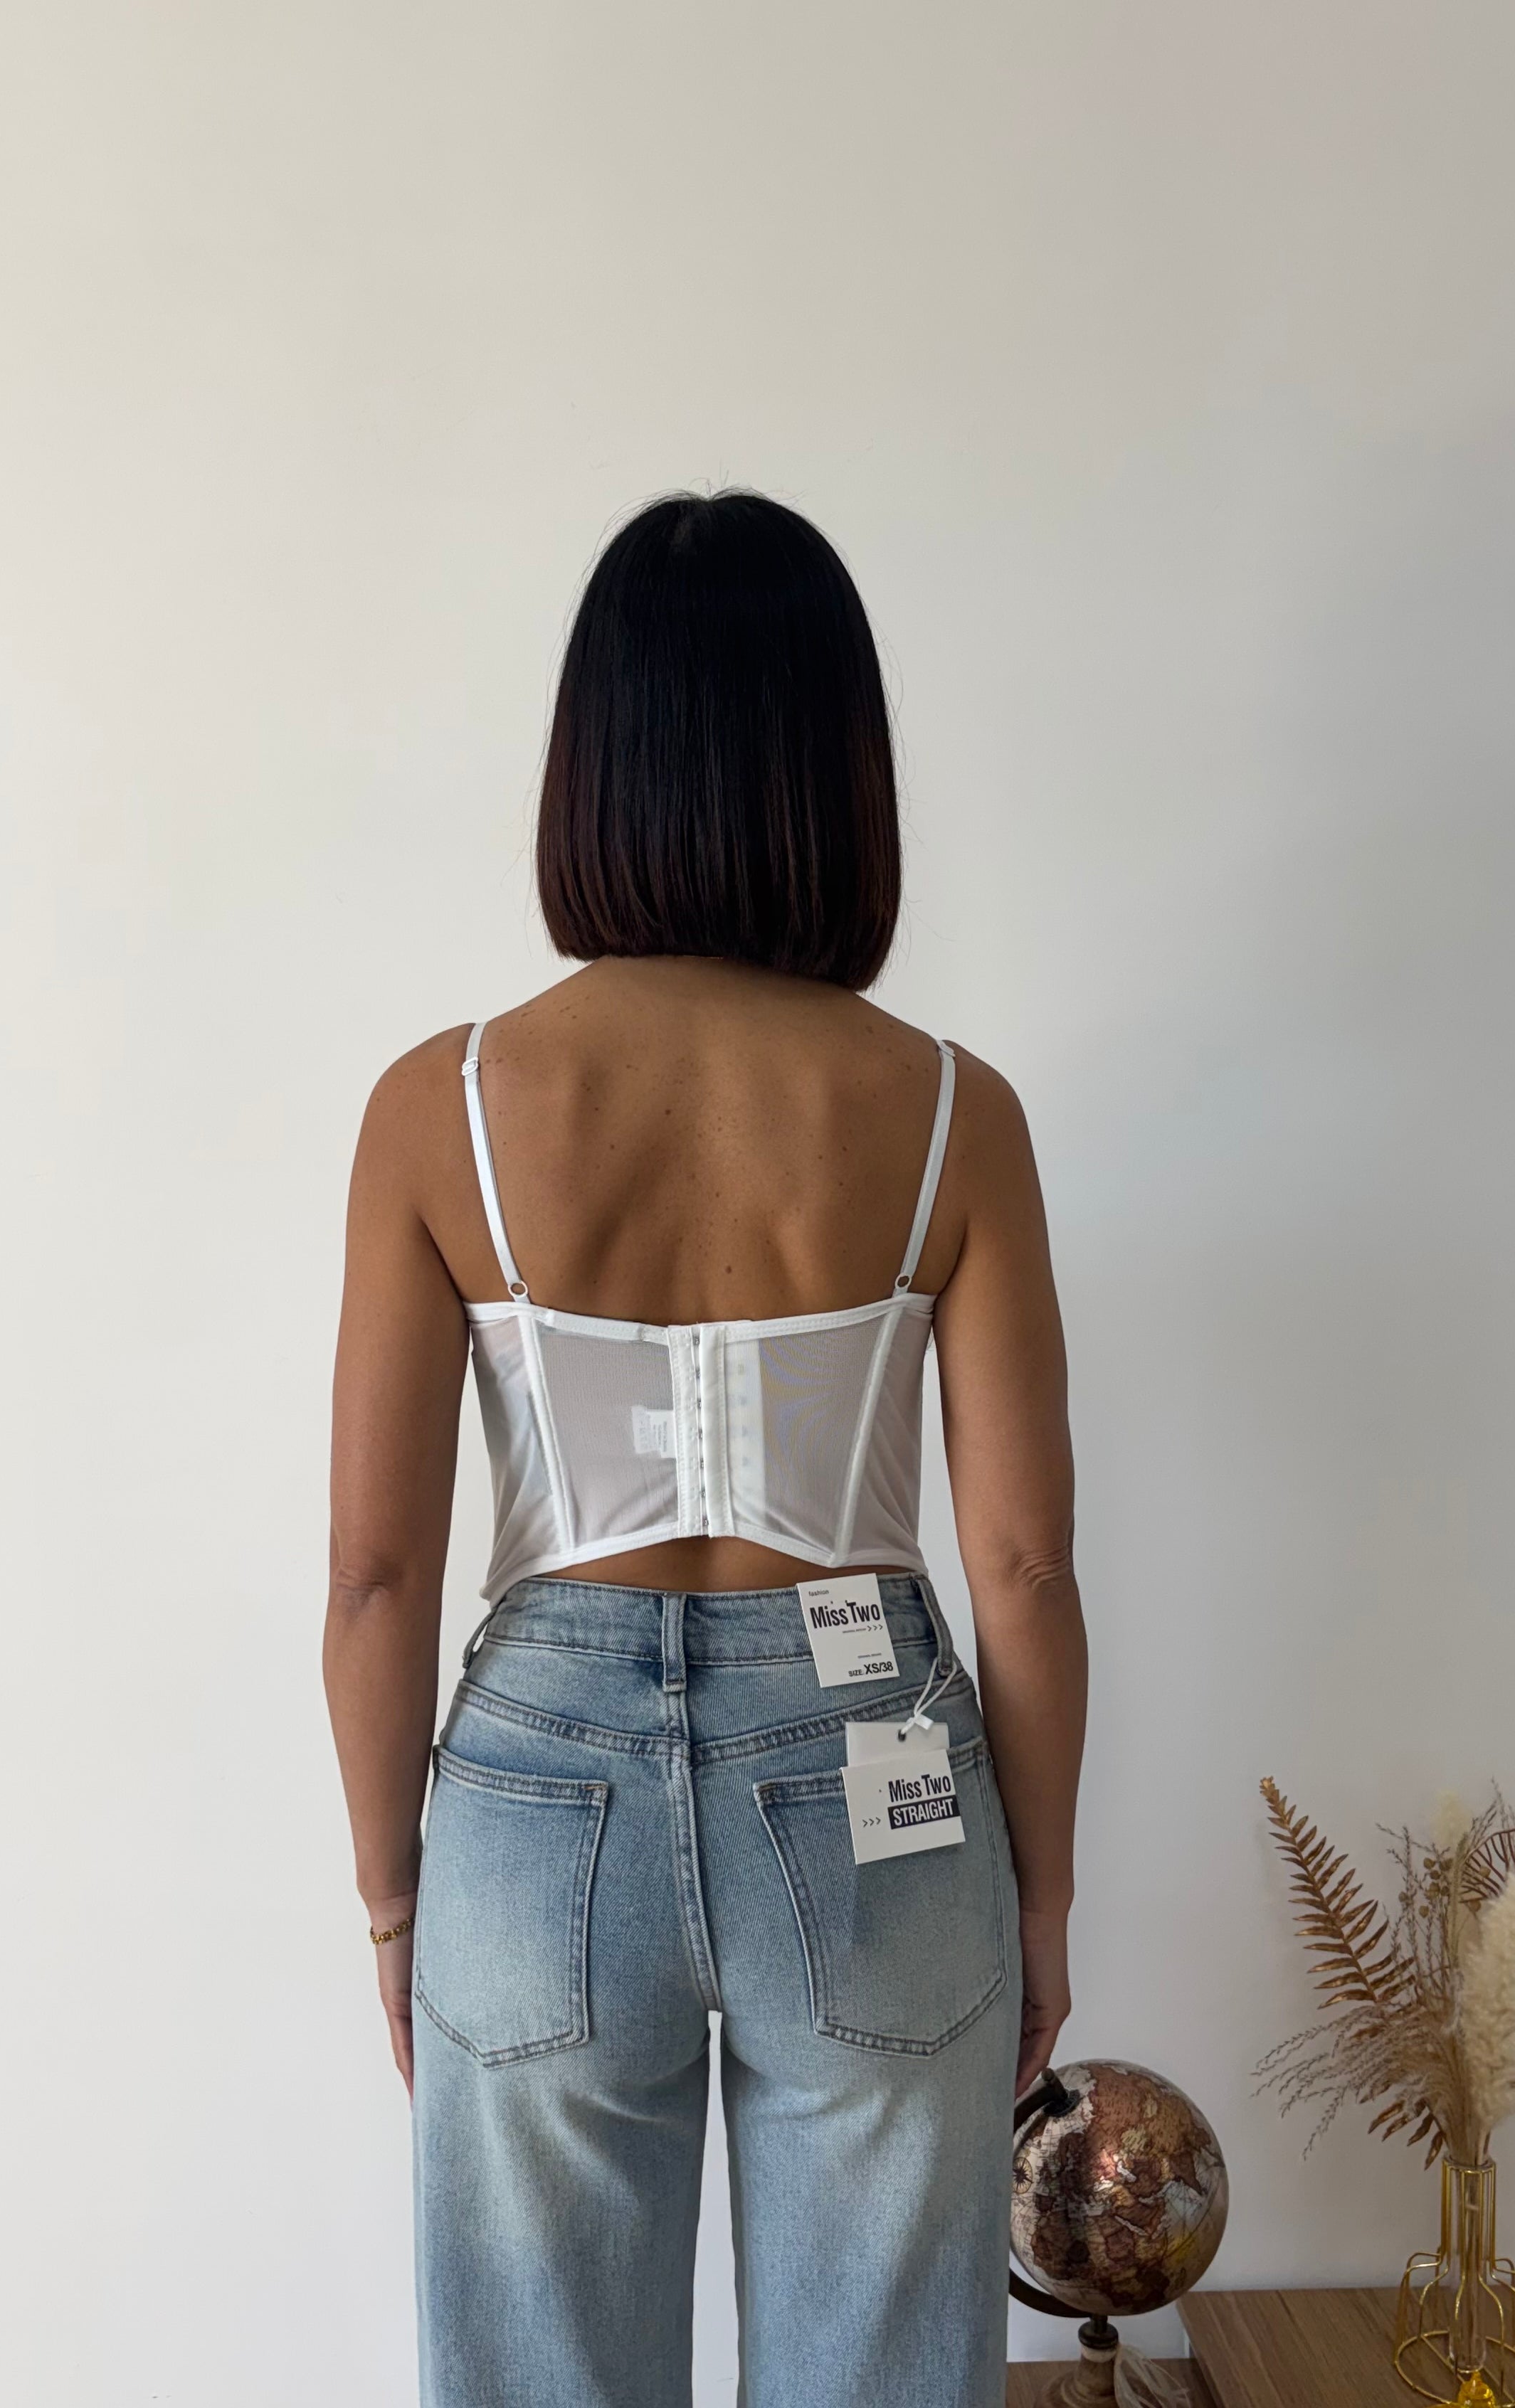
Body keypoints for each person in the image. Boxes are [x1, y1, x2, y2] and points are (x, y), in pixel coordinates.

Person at [324, 491, 1087, 2408]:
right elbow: (1020, 1569)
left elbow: (377, 1578)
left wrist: (398, 1897)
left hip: (535, 1800)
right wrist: (1042, 1898)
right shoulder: (949, 1111)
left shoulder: (441, 1107)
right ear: (838, 771)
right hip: (873, 1766)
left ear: (591, 769)